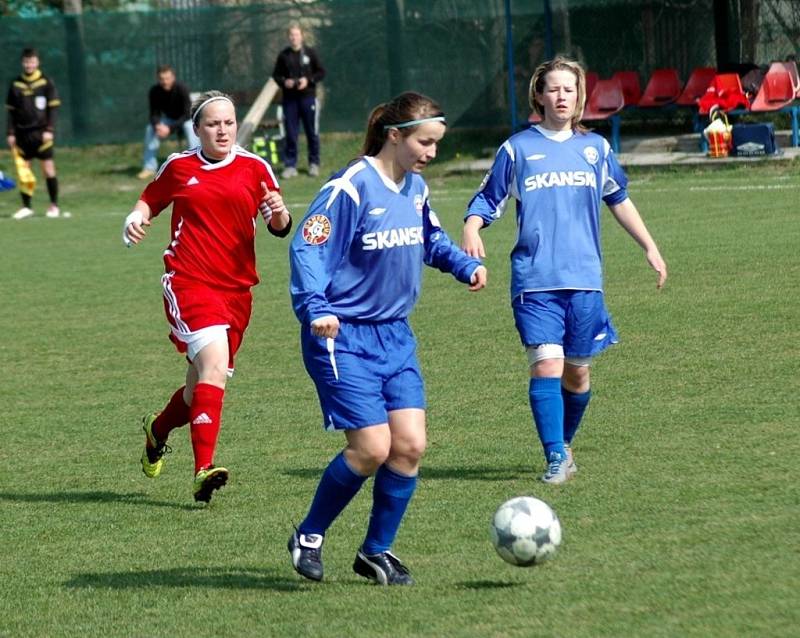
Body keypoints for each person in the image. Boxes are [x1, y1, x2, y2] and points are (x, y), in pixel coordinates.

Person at [287, 91, 487, 585]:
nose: (431, 153)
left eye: (436, 144)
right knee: (372, 448)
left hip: (394, 336)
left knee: (410, 446)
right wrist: (317, 309)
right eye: (424, 142)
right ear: (394, 136)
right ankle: (309, 535)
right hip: (342, 336)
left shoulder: (415, 188)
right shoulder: (352, 186)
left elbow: (430, 240)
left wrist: (463, 265)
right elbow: (308, 247)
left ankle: (376, 551)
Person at [462, 57, 667, 485]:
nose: (561, 96)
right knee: (546, 365)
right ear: (539, 94)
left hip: (585, 280)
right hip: (535, 280)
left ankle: (565, 442)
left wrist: (649, 246)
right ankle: (554, 455)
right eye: (553, 89)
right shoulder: (517, 149)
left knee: (577, 371)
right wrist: (471, 227)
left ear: (579, 97)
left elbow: (619, 199)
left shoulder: (596, 150)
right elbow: (487, 200)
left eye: (569, 90)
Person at [122, 90, 292, 503]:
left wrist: (279, 212)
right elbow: (151, 199)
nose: (222, 130)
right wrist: (136, 217)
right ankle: (203, 470)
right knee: (213, 366)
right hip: (189, 281)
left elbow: (280, 226)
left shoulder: (255, 168)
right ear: (197, 130)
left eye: (229, 122)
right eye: (213, 123)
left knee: (197, 387)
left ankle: (157, 430)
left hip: (237, 291)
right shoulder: (180, 167)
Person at [5, 48, 62, 219]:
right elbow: (10, 112)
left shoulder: (45, 82)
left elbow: (53, 108)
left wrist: (50, 130)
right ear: (22, 63)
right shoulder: (16, 84)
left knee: (48, 169)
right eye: (26, 61)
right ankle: (26, 206)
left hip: (41, 134)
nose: (29, 64)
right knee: (24, 171)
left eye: (32, 61)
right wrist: (10, 132)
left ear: (38, 62)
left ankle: (53, 205)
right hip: (22, 135)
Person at [272, 23, 325, 179]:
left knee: (312, 132)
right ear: (288, 37)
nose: (294, 38)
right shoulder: (283, 56)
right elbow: (276, 76)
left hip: (308, 99)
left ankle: (314, 163)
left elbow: (321, 72)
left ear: (301, 36)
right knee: (291, 133)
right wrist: (285, 82)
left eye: (296, 35)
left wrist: (308, 80)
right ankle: (290, 165)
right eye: (291, 35)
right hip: (290, 101)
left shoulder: (310, 53)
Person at [137, 65, 199, 180]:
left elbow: (187, 114)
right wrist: (158, 126)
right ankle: (149, 167)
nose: (165, 81)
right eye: (162, 78)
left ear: (173, 77)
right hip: (169, 120)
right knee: (150, 129)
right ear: (158, 79)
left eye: (167, 78)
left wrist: (169, 128)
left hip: (185, 119)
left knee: (190, 127)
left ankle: (195, 165)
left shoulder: (182, 89)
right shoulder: (154, 91)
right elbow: (154, 114)